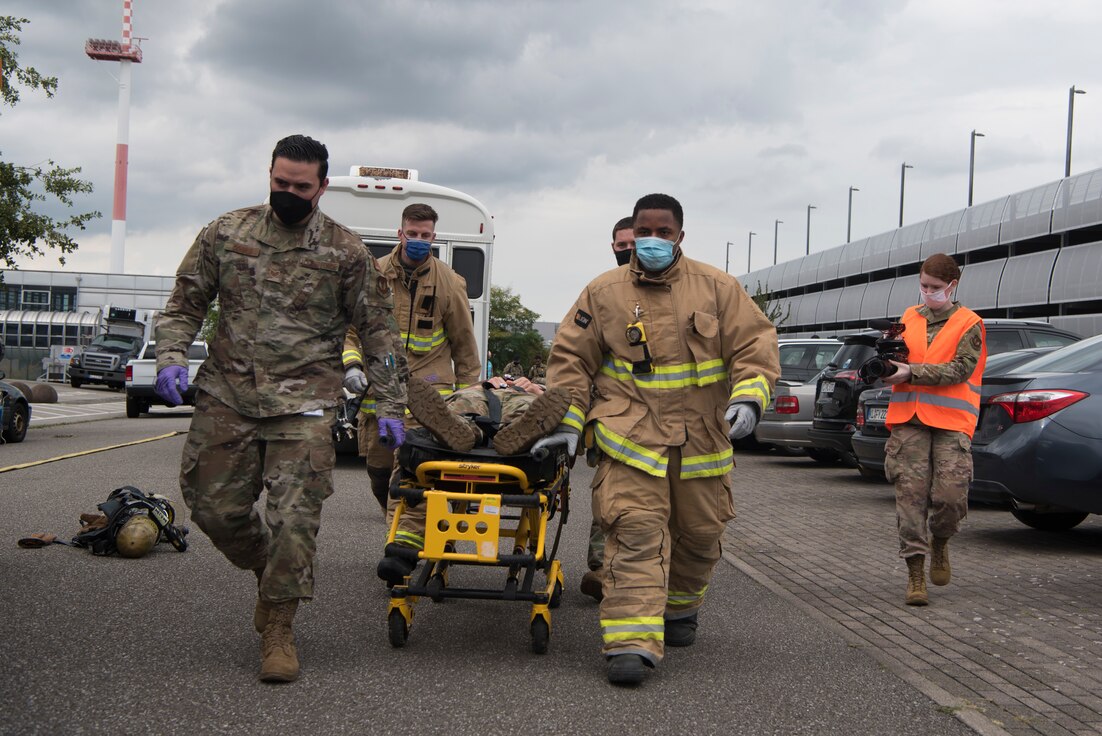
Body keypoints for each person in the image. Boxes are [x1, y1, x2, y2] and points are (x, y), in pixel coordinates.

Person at [154, 134, 407, 683]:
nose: (288, 193)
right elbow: (184, 303)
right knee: (212, 509)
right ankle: (271, 571)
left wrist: (390, 399)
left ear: (321, 186)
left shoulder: (346, 252)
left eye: (301, 186)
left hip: (305, 403)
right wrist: (171, 356)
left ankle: (279, 627)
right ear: (269, 175)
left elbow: (379, 332)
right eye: (280, 182)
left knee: (295, 520)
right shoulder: (226, 232)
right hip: (228, 395)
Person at [533, 193, 780, 685]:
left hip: (703, 442)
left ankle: (679, 610)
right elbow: (571, 360)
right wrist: (568, 422)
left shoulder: (718, 288)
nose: (652, 241)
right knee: (635, 534)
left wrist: (751, 398)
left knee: (701, 536)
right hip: (630, 440)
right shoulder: (602, 293)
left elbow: (756, 344)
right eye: (644, 232)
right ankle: (630, 643)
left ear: (679, 236)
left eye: (662, 233)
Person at [342, 202, 481, 515]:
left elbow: (464, 345)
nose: (418, 240)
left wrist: (469, 400)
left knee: (415, 472)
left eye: (425, 235)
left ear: (433, 237)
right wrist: (351, 365)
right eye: (412, 233)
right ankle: (395, 518)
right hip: (380, 394)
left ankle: (412, 530)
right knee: (379, 473)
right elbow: (350, 330)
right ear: (400, 233)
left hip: (430, 396)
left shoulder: (450, 283)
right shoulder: (373, 275)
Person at [883, 253, 986, 607]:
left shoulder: (970, 323)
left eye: (935, 287)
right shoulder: (909, 317)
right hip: (908, 420)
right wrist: (888, 365)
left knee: (950, 498)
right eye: (924, 285)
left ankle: (940, 540)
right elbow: (901, 358)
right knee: (910, 500)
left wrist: (911, 373)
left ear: (952, 285)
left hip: (951, 424)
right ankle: (915, 574)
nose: (928, 292)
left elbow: (960, 370)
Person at [581, 215, 636, 604]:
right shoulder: (601, 294)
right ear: (612, 247)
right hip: (612, 415)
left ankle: (647, 570)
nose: (628, 250)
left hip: (662, 421)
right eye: (621, 245)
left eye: (634, 243)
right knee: (610, 495)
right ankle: (602, 569)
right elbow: (577, 355)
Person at [407, 374, 570, 456]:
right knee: (464, 408)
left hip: (522, 396)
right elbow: (459, 393)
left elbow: (555, 402)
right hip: (482, 395)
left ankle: (516, 435)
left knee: (526, 413)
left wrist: (535, 389)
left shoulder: (538, 389)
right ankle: (457, 431)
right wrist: (481, 385)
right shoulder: (483, 385)